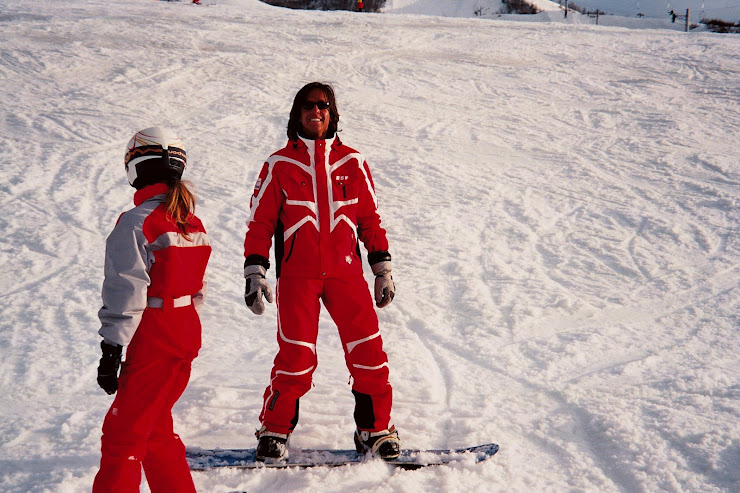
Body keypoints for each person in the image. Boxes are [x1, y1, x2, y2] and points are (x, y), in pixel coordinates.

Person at [243, 82, 400, 462]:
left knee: (369, 354)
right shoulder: (279, 164)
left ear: (333, 114)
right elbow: (260, 223)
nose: (317, 110)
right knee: (296, 358)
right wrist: (255, 271)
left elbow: (369, 219)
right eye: (309, 105)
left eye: (324, 105)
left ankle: (374, 430)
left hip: (347, 276)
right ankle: (274, 431)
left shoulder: (353, 162)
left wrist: (382, 269)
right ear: (297, 114)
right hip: (298, 276)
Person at [93, 127, 211, 492]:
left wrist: (112, 347)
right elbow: (196, 288)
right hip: (184, 333)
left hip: (155, 337)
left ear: (138, 166)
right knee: (156, 428)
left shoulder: (137, 222)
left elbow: (127, 288)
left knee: (122, 436)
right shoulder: (190, 220)